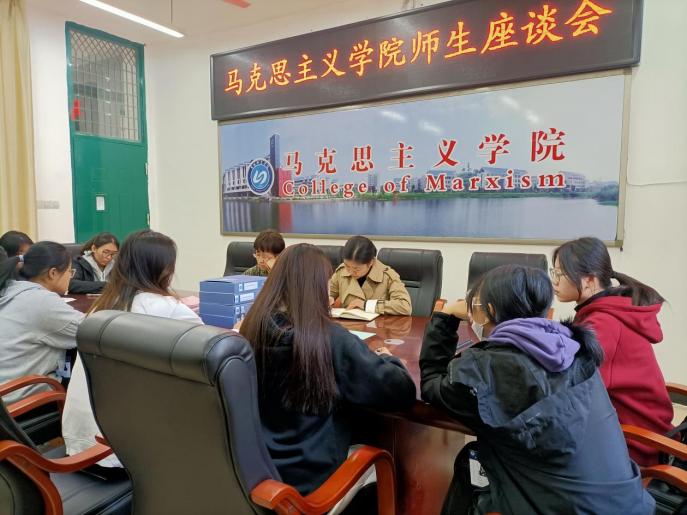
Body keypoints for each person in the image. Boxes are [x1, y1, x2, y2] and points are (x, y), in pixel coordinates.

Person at [420, 265, 654, 515]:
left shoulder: (485, 368)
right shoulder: (574, 348)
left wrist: (445, 316)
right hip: (627, 503)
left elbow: (431, 384)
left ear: (489, 311)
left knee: (472, 461)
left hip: (559, 507)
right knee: (473, 458)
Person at [240, 243, 416, 497]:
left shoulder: (251, 329)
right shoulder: (330, 339)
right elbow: (400, 392)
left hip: (259, 472)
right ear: (317, 288)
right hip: (313, 482)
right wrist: (390, 360)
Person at [62, 230, 202, 472]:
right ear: (164, 268)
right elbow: (210, 351)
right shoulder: (163, 307)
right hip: (126, 452)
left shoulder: (103, 304)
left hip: (81, 443)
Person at [552, 236, 673, 466]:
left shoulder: (603, 324)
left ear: (589, 280)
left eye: (560, 274)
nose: (554, 281)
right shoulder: (607, 311)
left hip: (636, 445)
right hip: (646, 432)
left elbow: (575, 389)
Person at [0, 242, 82, 403]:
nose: (70, 276)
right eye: (69, 271)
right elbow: (90, 331)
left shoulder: (9, 290)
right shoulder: (41, 301)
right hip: (19, 403)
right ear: (53, 273)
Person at [329, 235, 411, 315]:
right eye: (347, 266)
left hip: (378, 323)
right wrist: (328, 299)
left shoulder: (387, 276)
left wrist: (366, 305)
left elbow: (405, 306)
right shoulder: (341, 271)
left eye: (356, 269)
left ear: (370, 262)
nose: (350, 272)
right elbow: (330, 293)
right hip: (347, 322)